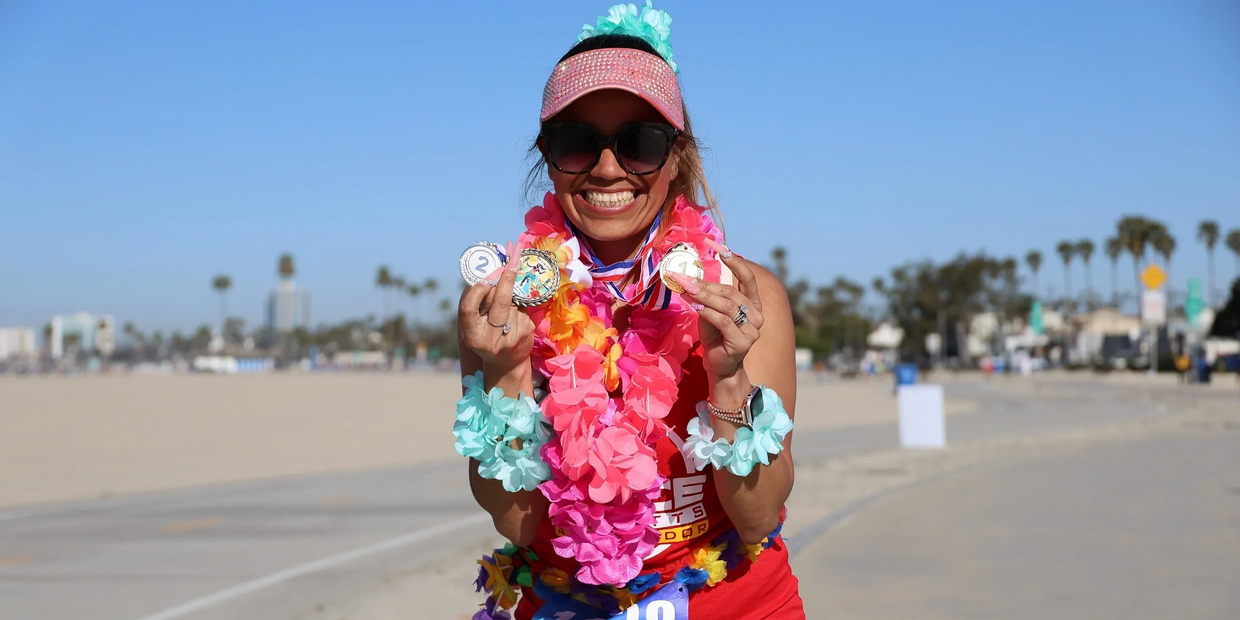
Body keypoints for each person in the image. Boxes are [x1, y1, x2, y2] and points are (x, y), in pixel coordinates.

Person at [453, 3, 804, 619]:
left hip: (734, 602)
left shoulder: (744, 295)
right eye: (577, 142)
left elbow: (759, 516)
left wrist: (728, 379)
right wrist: (507, 374)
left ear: (676, 155)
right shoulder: (506, 304)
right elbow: (518, 524)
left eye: (640, 143)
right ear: (547, 153)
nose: (609, 168)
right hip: (565, 602)